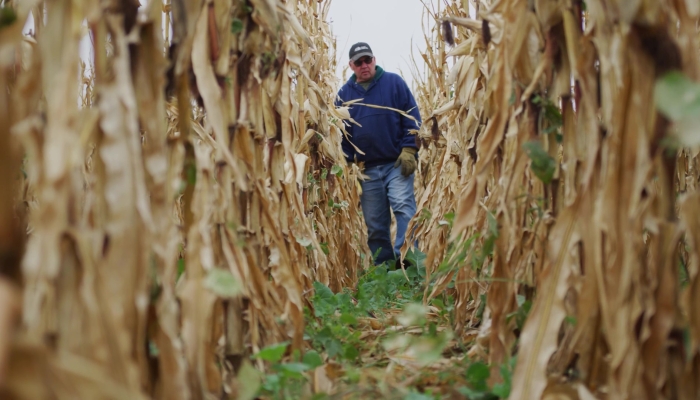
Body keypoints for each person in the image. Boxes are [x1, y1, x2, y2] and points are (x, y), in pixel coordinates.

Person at [336, 42, 422, 266]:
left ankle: (408, 262)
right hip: (367, 170)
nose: (364, 65)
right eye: (359, 62)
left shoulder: (394, 83)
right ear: (351, 65)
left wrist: (409, 149)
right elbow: (342, 135)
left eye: (368, 60)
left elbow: (412, 117)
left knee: (404, 207)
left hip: (396, 163)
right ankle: (384, 269)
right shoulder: (344, 95)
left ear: (374, 60)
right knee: (375, 224)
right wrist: (347, 165)